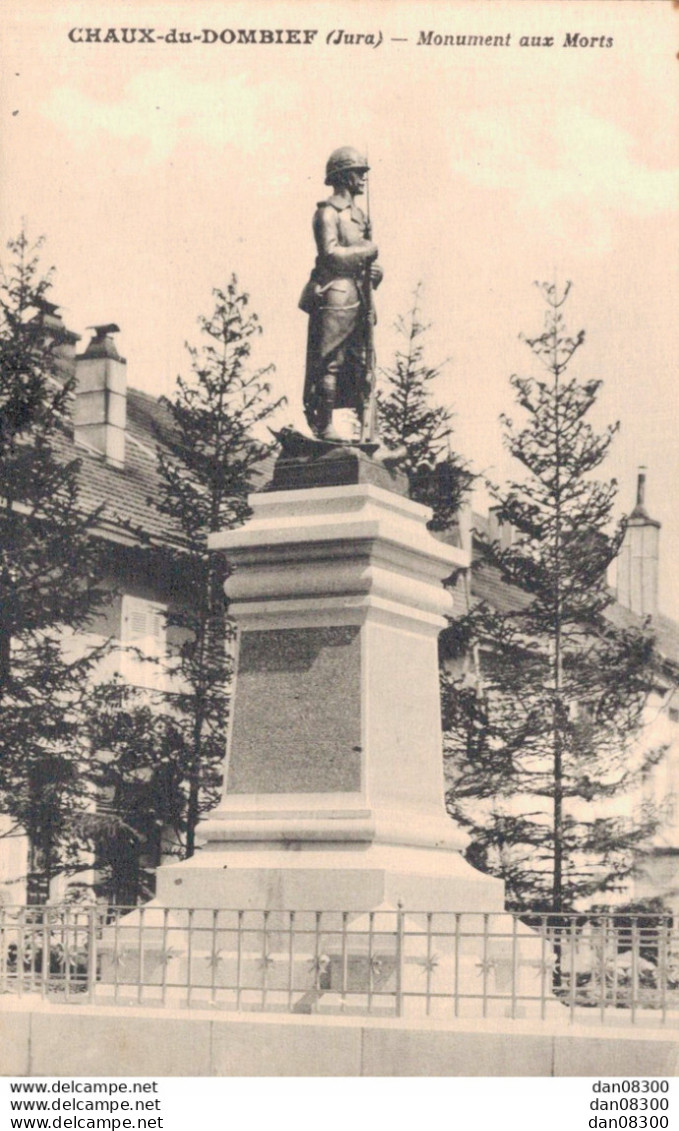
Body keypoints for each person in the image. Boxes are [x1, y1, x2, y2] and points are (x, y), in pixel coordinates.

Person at [299, 147, 383, 441]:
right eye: (359, 173)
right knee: (329, 360)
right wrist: (366, 251)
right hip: (335, 293)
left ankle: (368, 431)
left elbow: (369, 264)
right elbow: (331, 254)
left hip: (360, 295)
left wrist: (376, 273)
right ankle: (324, 424)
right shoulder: (326, 213)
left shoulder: (360, 217)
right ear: (345, 176)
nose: (363, 179)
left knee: (362, 362)